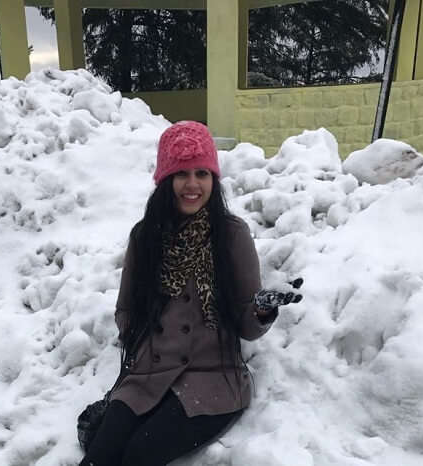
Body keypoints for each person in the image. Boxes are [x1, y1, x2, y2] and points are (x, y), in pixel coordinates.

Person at [79, 121, 292, 466]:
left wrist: (262, 310)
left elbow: (246, 324)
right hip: (148, 374)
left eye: (202, 173)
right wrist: (142, 342)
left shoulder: (231, 235)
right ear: (165, 180)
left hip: (211, 382)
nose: (192, 185)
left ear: (214, 180)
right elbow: (126, 310)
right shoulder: (145, 236)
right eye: (181, 174)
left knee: (138, 456)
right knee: (99, 457)